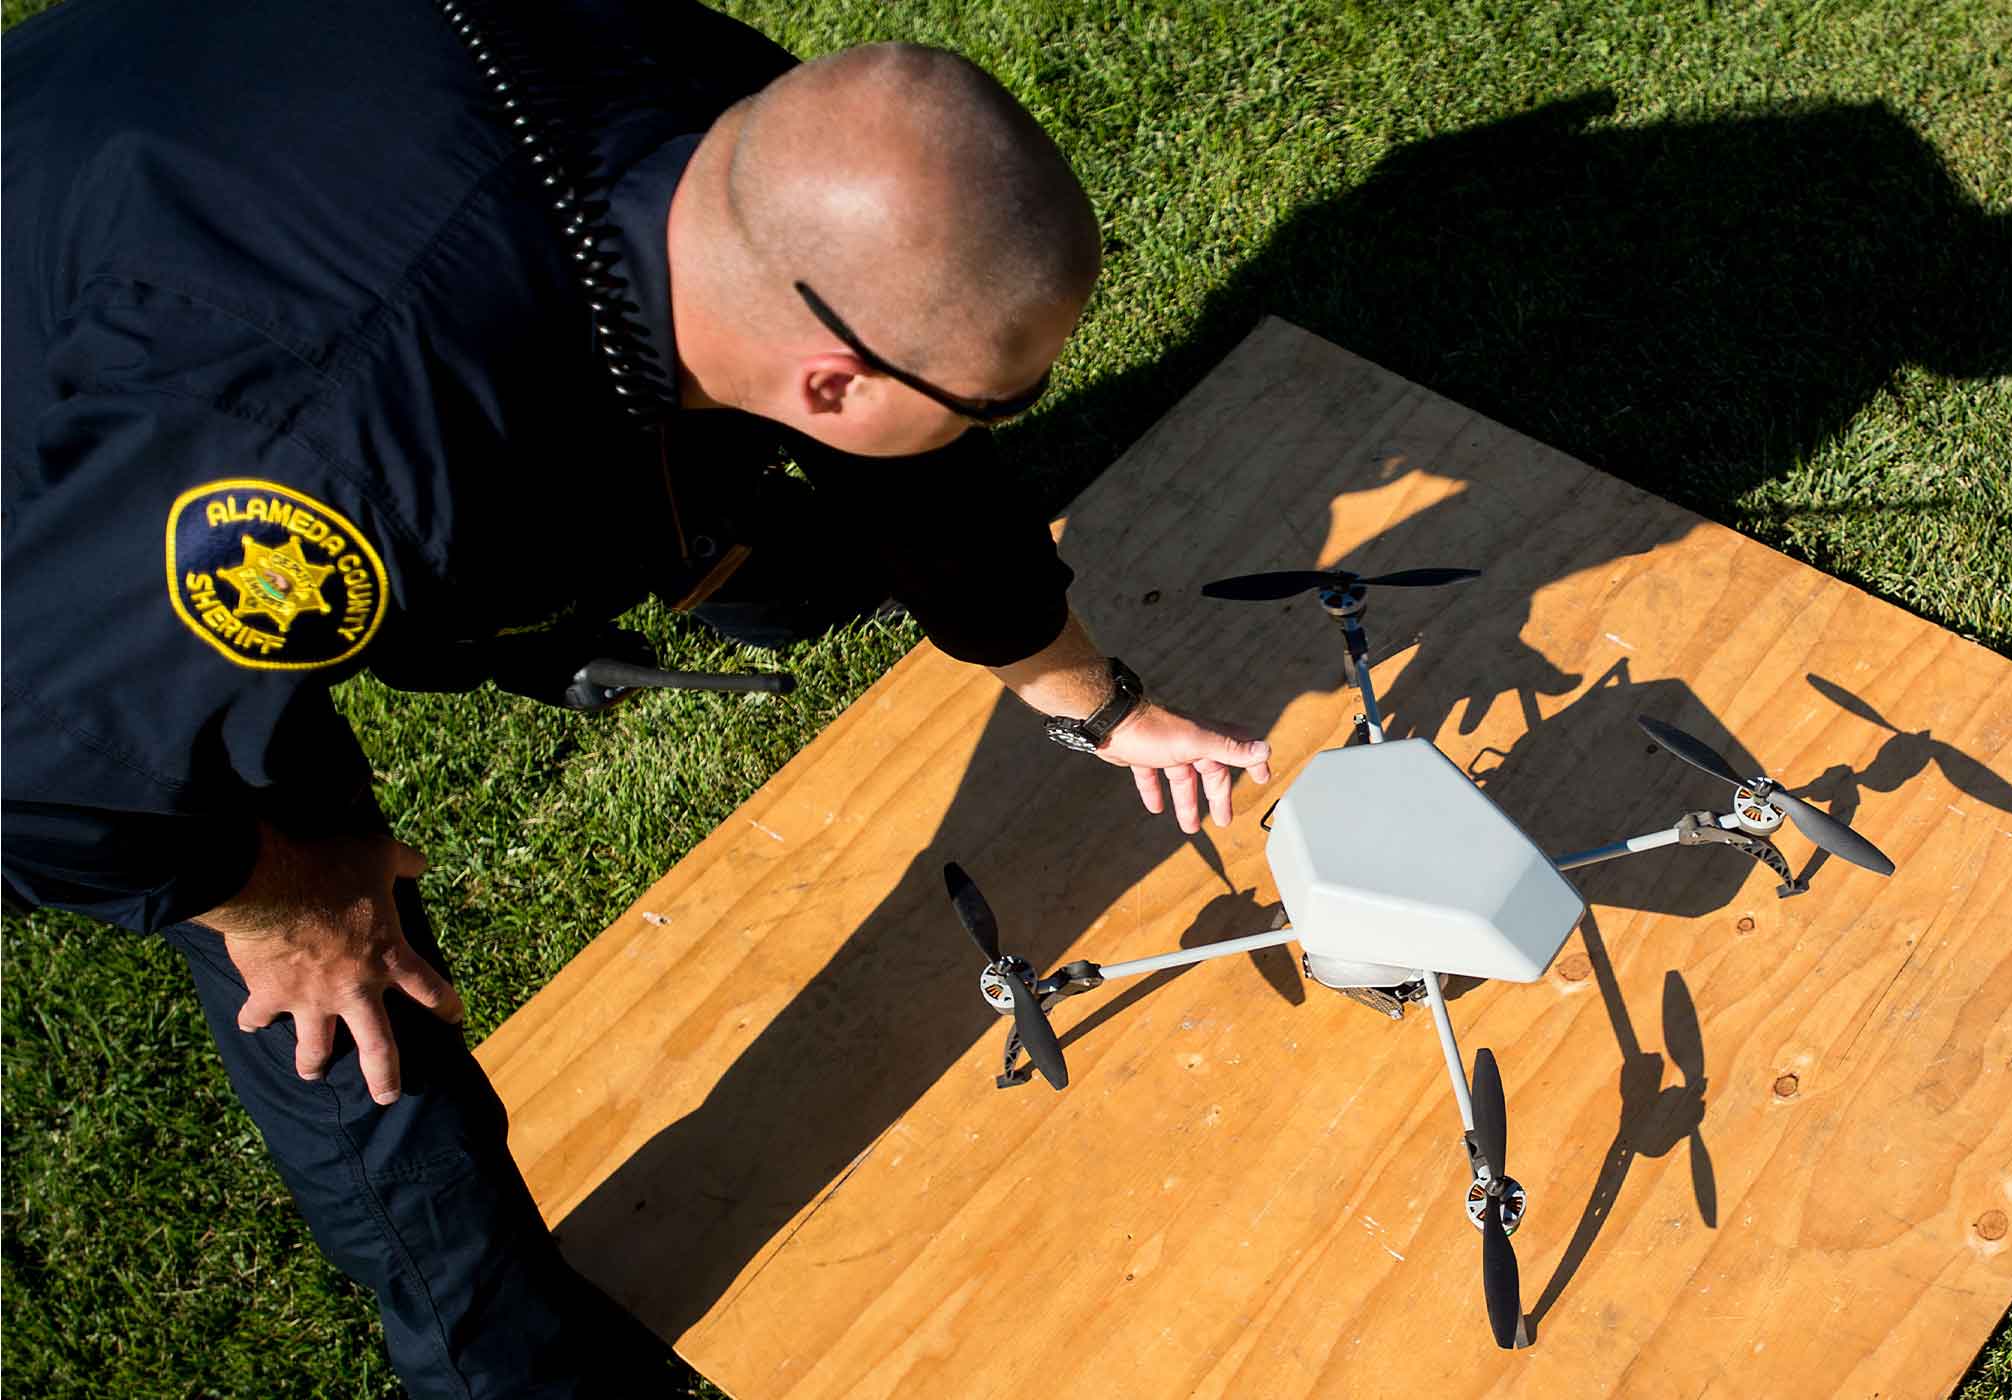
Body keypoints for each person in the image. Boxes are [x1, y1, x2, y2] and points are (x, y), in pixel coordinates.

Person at [2, 0, 1267, 1392]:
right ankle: (512, 1367)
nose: (992, 424)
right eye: (996, 402)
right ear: (832, 379)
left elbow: (915, 456)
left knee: (758, 477)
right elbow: (41, 771)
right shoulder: (331, 471)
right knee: (343, 974)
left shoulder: (751, 123)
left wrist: (1087, 694)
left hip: (172, 145)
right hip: (74, 488)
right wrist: (283, 895)